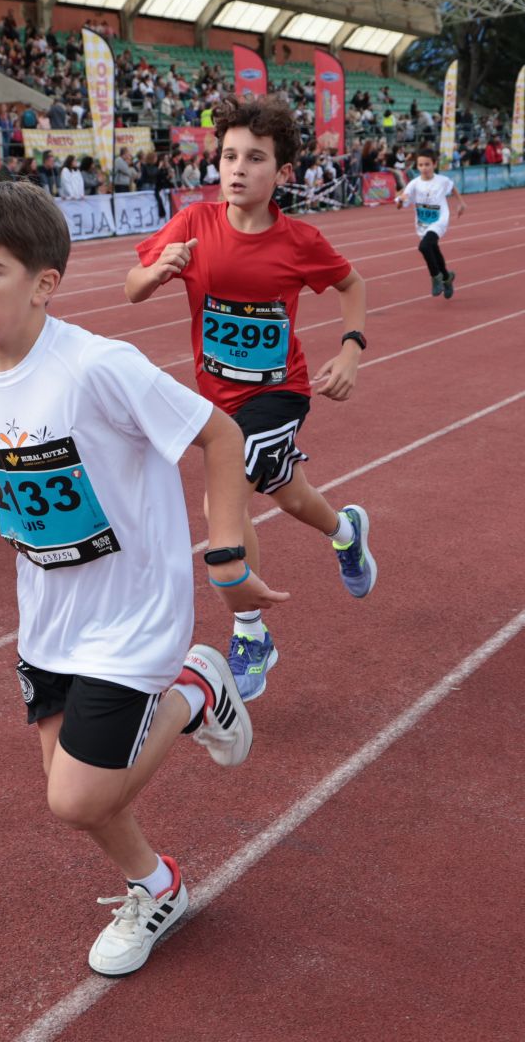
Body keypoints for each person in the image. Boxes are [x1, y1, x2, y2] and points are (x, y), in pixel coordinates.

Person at [0, 178, 275, 978]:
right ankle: (156, 887)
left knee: (76, 799)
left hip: (133, 614)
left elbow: (220, 436)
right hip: (50, 617)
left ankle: (195, 689)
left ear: (45, 283)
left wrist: (227, 555)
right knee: (80, 795)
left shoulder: (98, 368)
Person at [127, 95, 376, 701]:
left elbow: (352, 285)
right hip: (214, 399)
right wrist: (160, 270)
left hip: (279, 392)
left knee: (228, 487)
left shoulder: (299, 241)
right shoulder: (192, 224)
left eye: (255, 158)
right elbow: (131, 289)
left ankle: (249, 632)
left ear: (282, 174)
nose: (237, 168)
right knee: (284, 491)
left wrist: (349, 349)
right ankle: (344, 530)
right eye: (229, 155)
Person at [396, 149, 464, 298]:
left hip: (439, 220)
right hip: (422, 223)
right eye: (420, 165)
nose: (424, 168)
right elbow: (400, 205)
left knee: (424, 246)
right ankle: (447, 277)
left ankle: (435, 277)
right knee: (433, 249)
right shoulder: (414, 184)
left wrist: (461, 203)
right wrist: (401, 200)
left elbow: (452, 187)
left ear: (434, 164)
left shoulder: (441, 180)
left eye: (427, 164)